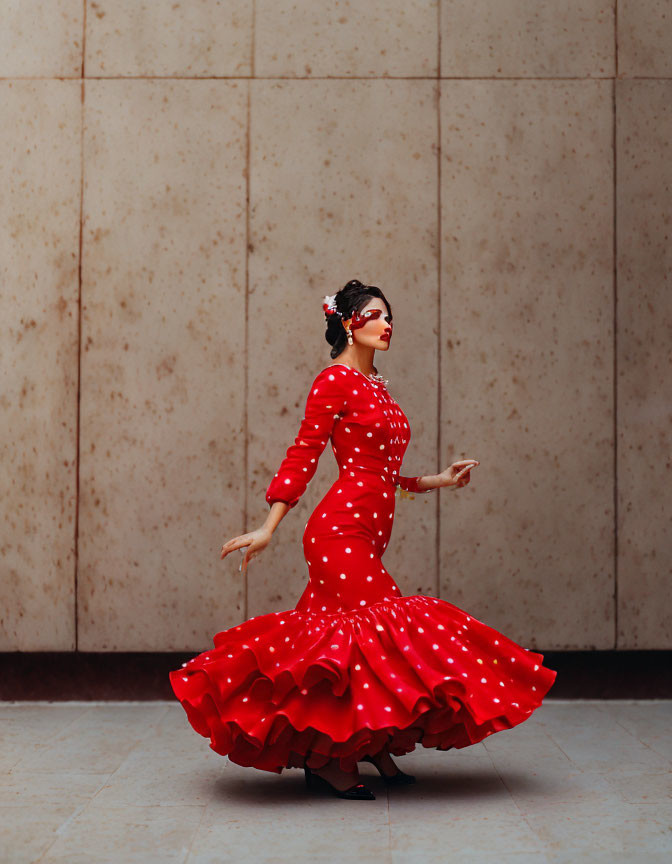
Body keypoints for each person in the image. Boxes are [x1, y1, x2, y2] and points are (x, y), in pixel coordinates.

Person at [170, 278, 557, 800]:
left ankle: (357, 745)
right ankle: (336, 759)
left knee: (336, 650)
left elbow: (381, 471)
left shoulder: (378, 387)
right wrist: (268, 528)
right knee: (381, 631)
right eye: (375, 314)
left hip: (371, 533)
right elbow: (304, 453)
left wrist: (440, 479)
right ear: (349, 323)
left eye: (389, 315)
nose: (386, 323)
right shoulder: (333, 381)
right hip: (339, 531)